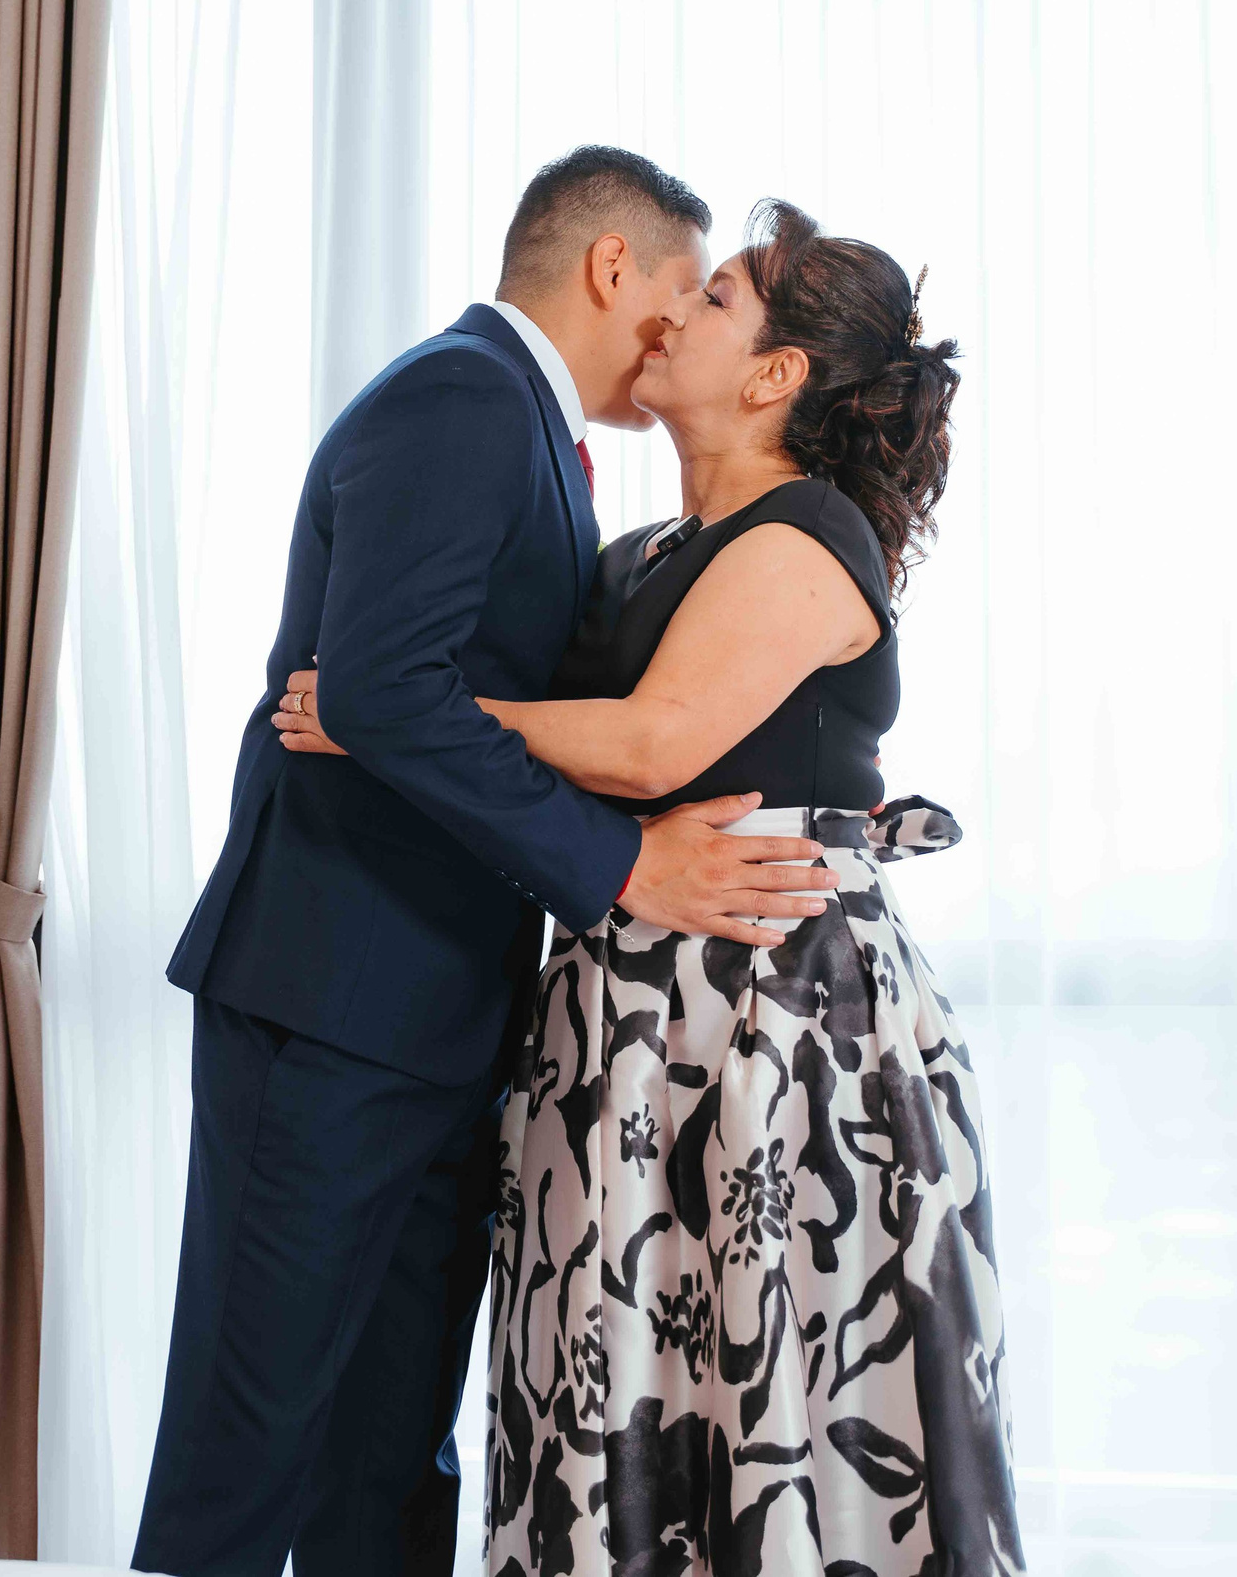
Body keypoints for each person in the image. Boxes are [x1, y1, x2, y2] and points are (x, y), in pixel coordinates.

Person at [275, 200, 1026, 1575]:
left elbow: (654, 743)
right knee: (620, 1375)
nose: (676, 311)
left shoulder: (807, 538)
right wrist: (410, 705)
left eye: (723, 297)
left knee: (784, 1361)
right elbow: (522, 762)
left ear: (776, 376)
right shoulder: (635, 558)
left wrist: (383, 707)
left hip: (782, 1026)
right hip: (622, 1025)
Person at [134, 150, 848, 1577]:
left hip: (438, 1018)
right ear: (609, 272)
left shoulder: (541, 443)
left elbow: (430, 703)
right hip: (332, 1002)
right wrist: (624, 868)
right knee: (252, 1441)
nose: (677, 327)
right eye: (681, 290)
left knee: (393, 1451)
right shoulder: (464, 400)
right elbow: (385, 691)